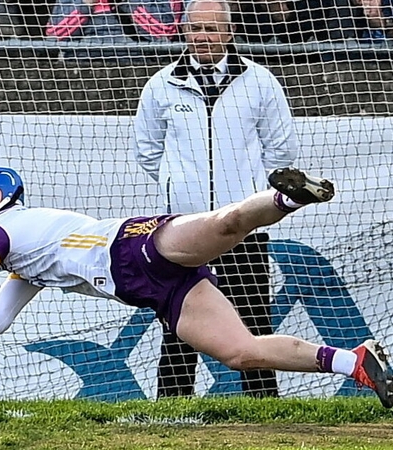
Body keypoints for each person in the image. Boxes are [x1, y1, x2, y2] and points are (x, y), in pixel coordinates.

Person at [0, 166, 393, 409]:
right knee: (240, 353)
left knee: (225, 226)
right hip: (149, 289)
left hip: (131, 247)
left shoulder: (2, 231)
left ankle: (286, 198)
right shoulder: (21, 252)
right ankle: (354, 362)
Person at [134, 0, 294, 398]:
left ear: (230, 32)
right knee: (179, 320)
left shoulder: (260, 81)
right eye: (196, 29)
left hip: (243, 226)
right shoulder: (161, 84)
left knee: (254, 315)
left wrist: (250, 199)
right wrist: (180, 188)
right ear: (184, 32)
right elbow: (148, 150)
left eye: (212, 29)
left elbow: (281, 152)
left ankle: (263, 403)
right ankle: (173, 404)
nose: (203, 37)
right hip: (182, 230)